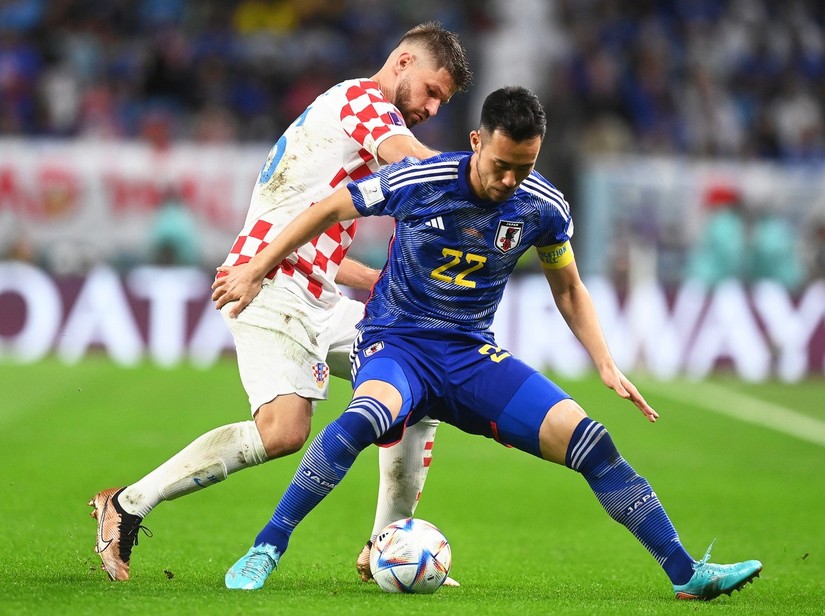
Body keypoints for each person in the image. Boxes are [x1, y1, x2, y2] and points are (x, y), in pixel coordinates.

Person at [213, 86, 763, 599]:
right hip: (396, 345)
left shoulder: (543, 207)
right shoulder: (420, 180)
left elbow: (568, 287)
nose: (509, 181)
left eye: (524, 168)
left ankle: (687, 575)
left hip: (471, 357)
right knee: (363, 419)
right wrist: (259, 267)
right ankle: (268, 545)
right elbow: (328, 208)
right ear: (477, 141)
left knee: (592, 442)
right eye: (501, 166)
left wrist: (606, 363)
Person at [89, 22, 473, 583]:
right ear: (403, 63)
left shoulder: (346, 117)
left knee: (416, 382)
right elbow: (410, 161)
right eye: (432, 92)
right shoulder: (364, 101)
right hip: (268, 283)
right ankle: (125, 504)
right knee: (284, 432)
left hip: (313, 288)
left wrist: (369, 277)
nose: (433, 108)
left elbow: (301, 221)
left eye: (442, 101)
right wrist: (482, 179)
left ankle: (385, 546)